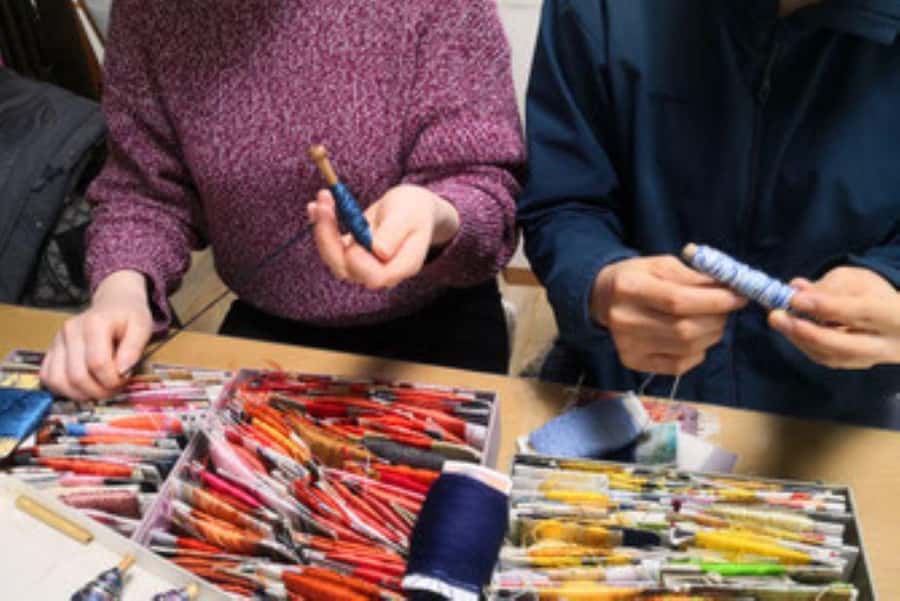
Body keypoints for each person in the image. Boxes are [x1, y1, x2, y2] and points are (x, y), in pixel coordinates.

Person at [40, 0, 525, 401]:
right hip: (269, 331)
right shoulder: (151, 12)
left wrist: (435, 214)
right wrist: (122, 291)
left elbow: (485, 191)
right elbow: (144, 190)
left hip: (439, 328)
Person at [518, 0, 900, 427]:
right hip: (617, 399)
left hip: (841, 422)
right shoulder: (600, 11)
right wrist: (600, 282)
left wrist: (891, 281)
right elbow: (562, 201)